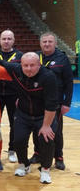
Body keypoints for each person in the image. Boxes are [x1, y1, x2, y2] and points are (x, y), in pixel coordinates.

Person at [0, 52, 58, 184]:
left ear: (39, 65)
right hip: (23, 114)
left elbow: (52, 105)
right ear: (20, 65)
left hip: (43, 116)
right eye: (25, 65)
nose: (28, 68)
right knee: (18, 140)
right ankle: (23, 164)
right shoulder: (16, 70)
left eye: (32, 65)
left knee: (46, 139)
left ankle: (45, 170)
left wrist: (46, 126)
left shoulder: (48, 77)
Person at [29, 32, 73, 170]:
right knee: (37, 128)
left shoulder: (62, 58)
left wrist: (66, 103)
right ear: (40, 43)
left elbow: (69, 82)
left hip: (56, 102)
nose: (47, 44)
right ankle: (37, 153)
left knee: (56, 131)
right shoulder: (35, 57)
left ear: (55, 43)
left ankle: (58, 157)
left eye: (50, 42)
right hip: (37, 101)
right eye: (44, 42)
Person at [0, 30, 23, 163]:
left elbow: (17, 69)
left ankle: (12, 150)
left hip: (14, 95)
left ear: (13, 41)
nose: (6, 41)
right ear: (0, 40)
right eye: (4, 38)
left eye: (9, 39)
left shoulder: (20, 55)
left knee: (14, 124)